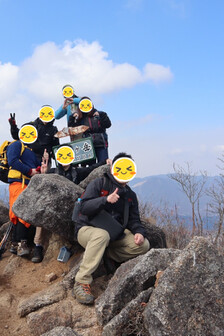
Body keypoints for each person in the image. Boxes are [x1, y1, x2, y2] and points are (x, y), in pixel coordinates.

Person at [72, 152, 150, 305]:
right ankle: (81, 282)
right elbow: (84, 207)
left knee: (144, 245)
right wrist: (105, 200)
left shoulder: (130, 195)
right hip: (86, 230)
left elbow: (134, 220)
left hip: (113, 235)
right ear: (114, 168)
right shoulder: (99, 184)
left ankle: (106, 254)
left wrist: (139, 232)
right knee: (101, 236)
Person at [7, 136, 41, 258]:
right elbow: (12, 161)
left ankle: (16, 243)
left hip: (27, 184)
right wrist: (29, 171)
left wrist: (43, 165)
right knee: (20, 212)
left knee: (20, 212)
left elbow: (38, 167)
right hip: (18, 182)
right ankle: (21, 243)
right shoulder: (16, 144)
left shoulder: (32, 151)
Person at [68, 97, 111, 164]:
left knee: (103, 165)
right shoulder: (80, 118)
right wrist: (72, 117)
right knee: (91, 168)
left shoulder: (99, 114)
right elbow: (72, 129)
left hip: (101, 144)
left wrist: (102, 115)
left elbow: (108, 125)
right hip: (88, 146)